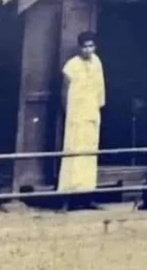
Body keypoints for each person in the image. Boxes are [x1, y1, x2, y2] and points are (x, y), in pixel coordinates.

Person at [58, 31, 106, 202]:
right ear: (79, 48)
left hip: (91, 114)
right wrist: (68, 112)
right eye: (85, 46)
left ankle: (87, 193)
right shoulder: (71, 65)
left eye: (91, 46)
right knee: (74, 152)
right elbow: (64, 91)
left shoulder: (97, 62)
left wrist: (97, 109)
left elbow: (100, 88)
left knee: (89, 153)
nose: (88, 50)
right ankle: (68, 195)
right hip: (75, 116)